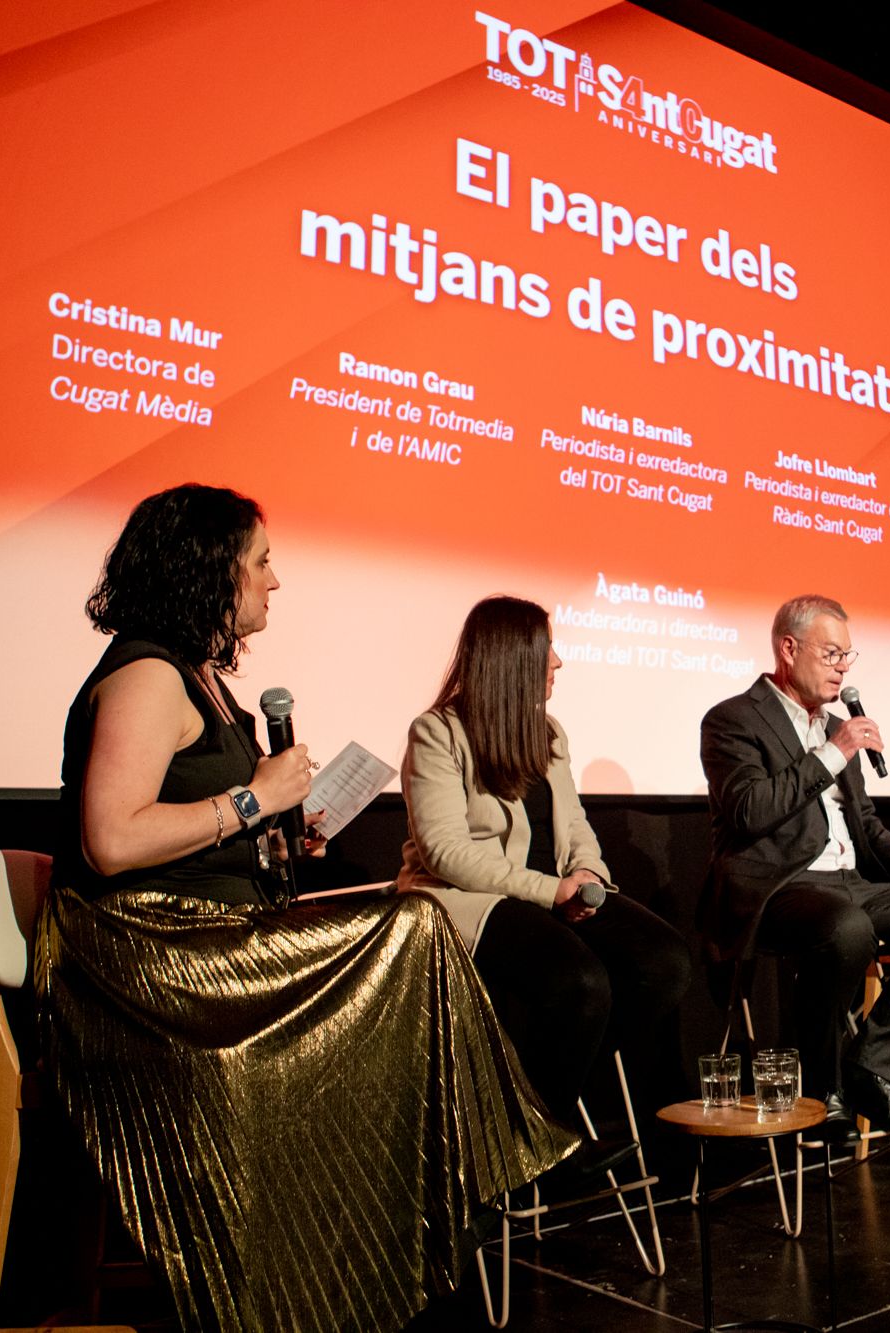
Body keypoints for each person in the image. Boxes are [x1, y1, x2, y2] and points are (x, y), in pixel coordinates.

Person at [38, 484, 574, 1332]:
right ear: (209, 570)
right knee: (416, 924)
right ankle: (453, 1187)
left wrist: (283, 835)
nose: (273, 582)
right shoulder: (146, 673)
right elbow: (110, 838)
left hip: (211, 934)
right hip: (151, 958)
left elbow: (194, 828)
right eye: (261, 562)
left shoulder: (202, 679)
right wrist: (252, 803)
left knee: (413, 926)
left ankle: (413, 1207)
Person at [399, 595, 692, 1140]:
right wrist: (552, 890)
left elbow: (575, 824)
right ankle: (534, 1139)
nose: (557, 662)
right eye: (549, 649)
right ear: (514, 659)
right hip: (468, 901)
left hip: (553, 893)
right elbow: (444, 852)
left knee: (664, 962)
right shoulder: (437, 732)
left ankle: (544, 1098)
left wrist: (591, 878)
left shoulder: (549, 733)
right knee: (579, 982)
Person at [700, 594, 890, 1135]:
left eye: (847, 658)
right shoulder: (733, 719)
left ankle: (867, 1067)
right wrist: (832, 753)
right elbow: (747, 810)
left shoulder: (835, 724)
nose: (842, 668)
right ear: (789, 649)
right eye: (832, 654)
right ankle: (821, 1085)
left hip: (852, 883)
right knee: (845, 926)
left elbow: (866, 820)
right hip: (780, 885)